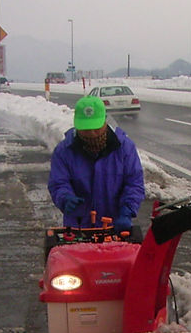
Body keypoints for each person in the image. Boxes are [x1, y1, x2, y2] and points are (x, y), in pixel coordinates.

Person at [47, 95, 145, 233]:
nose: (92, 134)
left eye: (96, 128)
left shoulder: (124, 148)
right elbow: (58, 183)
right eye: (86, 129)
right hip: (78, 227)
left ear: (105, 121)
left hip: (113, 225)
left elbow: (134, 183)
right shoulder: (64, 151)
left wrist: (127, 209)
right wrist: (65, 197)